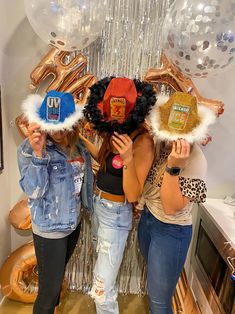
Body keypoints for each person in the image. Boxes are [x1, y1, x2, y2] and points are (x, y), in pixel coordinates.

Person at [82, 77, 156, 314]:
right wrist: (81, 140)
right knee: (106, 279)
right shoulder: (114, 131)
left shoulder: (143, 141)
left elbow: (133, 193)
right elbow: (104, 162)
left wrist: (128, 159)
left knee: (101, 288)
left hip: (116, 215)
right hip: (98, 206)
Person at [137, 92, 216, 314]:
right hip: (148, 220)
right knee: (155, 293)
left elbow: (172, 207)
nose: (174, 136)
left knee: (160, 302)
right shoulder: (162, 143)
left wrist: (174, 168)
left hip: (170, 231)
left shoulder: (196, 159)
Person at [17, 90, 93, 314]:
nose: (57, 132)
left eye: (63, 125)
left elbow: (83, 182)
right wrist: (39, 155)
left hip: (72, 224)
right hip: (50, 230)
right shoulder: (29, 149)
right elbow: (33, 191)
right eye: (52, 125)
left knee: (56, 282)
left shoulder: (77, 145)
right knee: (48, 294)